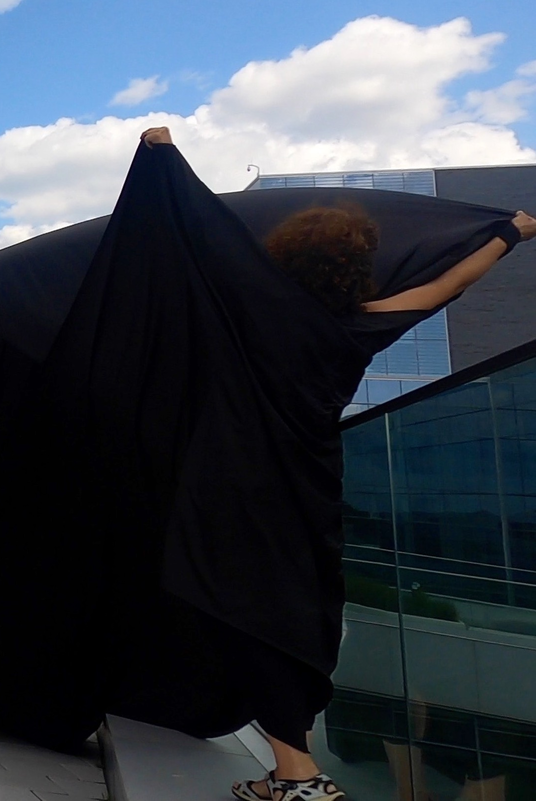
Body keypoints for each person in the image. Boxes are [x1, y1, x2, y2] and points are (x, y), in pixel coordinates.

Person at [140, 126, 536, 801]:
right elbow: (449, 284)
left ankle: (300, 775)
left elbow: (202, 231)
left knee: (231, 606)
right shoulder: (363, 322)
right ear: (356, 270)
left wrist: (166, 154)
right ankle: (286, 772)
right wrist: (510, 233)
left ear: (286, 254)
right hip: (312, 487)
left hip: (232, 484)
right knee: (293, 611)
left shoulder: (248, 306)